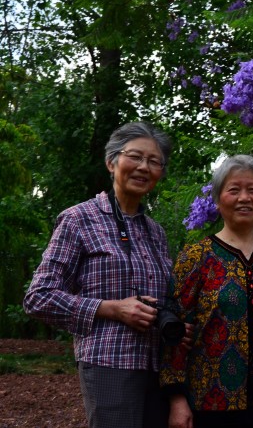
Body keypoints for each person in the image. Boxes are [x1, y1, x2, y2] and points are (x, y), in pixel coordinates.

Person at [24, 121, 174, 428]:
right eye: (135, 156)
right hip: (109, 363)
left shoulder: (155, 232)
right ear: (111, 162)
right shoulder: (78, 219)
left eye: (154, 161)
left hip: (159, 368)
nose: (143, 167)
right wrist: (112, 309)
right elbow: (39, 297)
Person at [160, 154, 253, 428]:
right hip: (208, 406)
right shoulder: (196, 257)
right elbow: (173, 331)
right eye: (234, 190)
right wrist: (176, 399)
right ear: (218, 200)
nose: (244, 198)